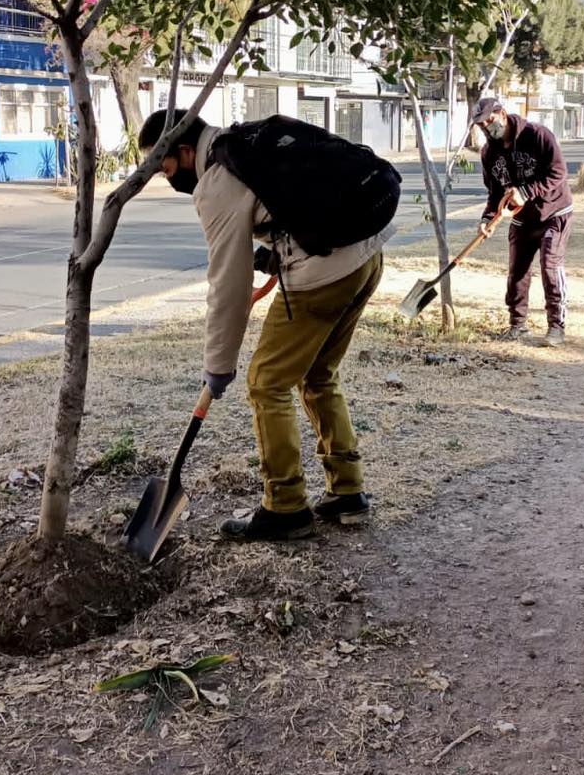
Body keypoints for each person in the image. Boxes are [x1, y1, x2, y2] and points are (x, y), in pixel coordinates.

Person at [139, 108, 394, 542]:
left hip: (324, 276)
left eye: (164, 171)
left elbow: (227, 284)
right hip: (366, 259)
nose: (168, 181)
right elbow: (293, 202)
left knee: (265, 382)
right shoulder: (248, 142)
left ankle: (286, 506)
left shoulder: (217, 182)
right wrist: (278, 248)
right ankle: (347, 491)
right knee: (317, 375)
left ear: (185, 151)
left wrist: (219, 365)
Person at [471, 94, 572, 346]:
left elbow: (558, 172)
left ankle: (556, 327)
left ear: (502, 114)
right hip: (520, 218)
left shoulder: (538, 136)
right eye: (481, 125)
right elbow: (494, 193)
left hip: (553, 212)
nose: (487, 128)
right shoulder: (489, 154)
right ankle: (517, 325)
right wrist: (487, 218)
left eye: (489, 121)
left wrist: (526, 192)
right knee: (517, 271)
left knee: (550, 265)